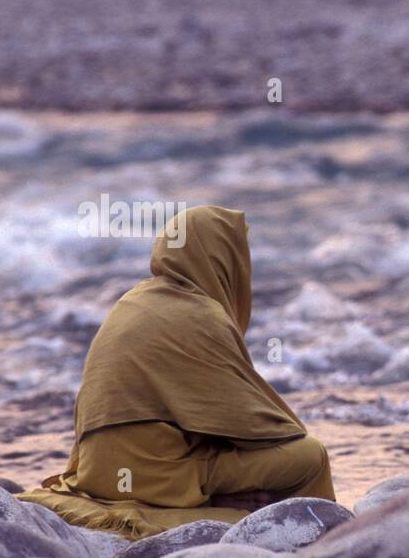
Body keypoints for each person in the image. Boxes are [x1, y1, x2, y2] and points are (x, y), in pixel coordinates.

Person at [20, 205, 334, 539]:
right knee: (308, 455)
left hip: (97, 474)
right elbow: (260, 428)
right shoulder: (202, 313)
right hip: (159, 477)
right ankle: (310, 538)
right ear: (223, 258)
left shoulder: (130, 302)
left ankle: (208, 501)